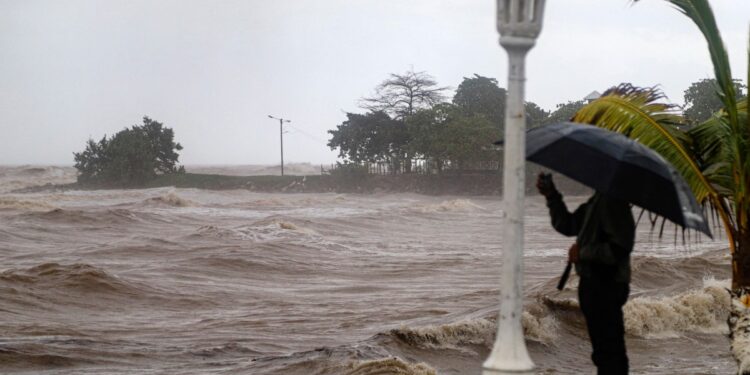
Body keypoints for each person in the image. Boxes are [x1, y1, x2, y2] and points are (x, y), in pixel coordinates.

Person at [537, 172, 635, 375]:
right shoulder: (598, 201)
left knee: (609, 352)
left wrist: (582, 252)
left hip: (606, 284)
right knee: (604, 351)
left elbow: (620, 248)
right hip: (593, 283)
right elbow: (568, 225)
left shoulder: (614, 202)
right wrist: (552, 196)